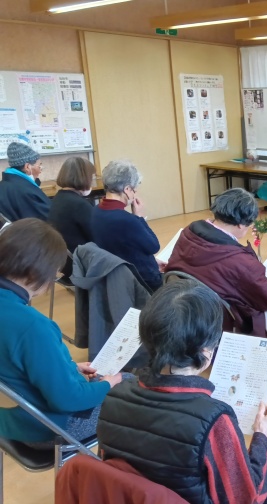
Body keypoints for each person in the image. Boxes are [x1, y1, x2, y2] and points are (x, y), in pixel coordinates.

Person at [96, 280, 267, 504]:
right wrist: (261, 436)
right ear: (205, 350)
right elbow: (242, 497)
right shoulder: (214, 419)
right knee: (266, 463)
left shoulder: (113, 395)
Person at [0, 219, 122, 446]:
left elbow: (14, 366)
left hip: (8, 421)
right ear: (35, 271)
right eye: (53, 275)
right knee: (133, 388)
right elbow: (68, 400)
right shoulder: (32, 326)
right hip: (47, 428)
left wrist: (67, 367)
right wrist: (107, 384)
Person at [166, 188, 267, 336]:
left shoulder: (189, 232)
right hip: (219, 322)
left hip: (183, 309)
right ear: (241, 224)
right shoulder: (241, 261)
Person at [91, 159, 164, 291]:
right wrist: (139, 217)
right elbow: (154, 246)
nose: (135, 194)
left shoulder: (95, 211)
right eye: (134, 190)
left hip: (115, 277)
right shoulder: (127, 220)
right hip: (143, 282)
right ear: (127, 189)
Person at [48, 157, 96, 281]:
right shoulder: (79, 205)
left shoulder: (59, 198)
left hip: (63, 264)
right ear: (84, 177)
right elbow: (98, 237)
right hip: (81, 265)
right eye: (91, 177)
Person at [0, 142, 51, 221]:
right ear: (27, 167)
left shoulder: (5, 183)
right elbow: (48, 217)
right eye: (39, 166)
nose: (40, 170)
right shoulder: (26, 191)